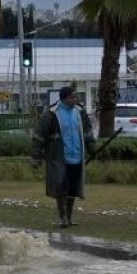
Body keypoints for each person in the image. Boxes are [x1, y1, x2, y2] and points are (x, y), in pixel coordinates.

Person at [32, 86, 96, 229]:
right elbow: (39, 137)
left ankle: (69, 217)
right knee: (62, 188)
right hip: (59, 158)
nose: (75, 100)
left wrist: (93, 149)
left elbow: (88, 134)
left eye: (75, 97)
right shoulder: (51, 114)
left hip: (77, 157)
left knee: (73, 189)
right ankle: (63, 218)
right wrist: (36, 157)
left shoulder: (80, 113)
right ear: (64, 98)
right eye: (72, 97)